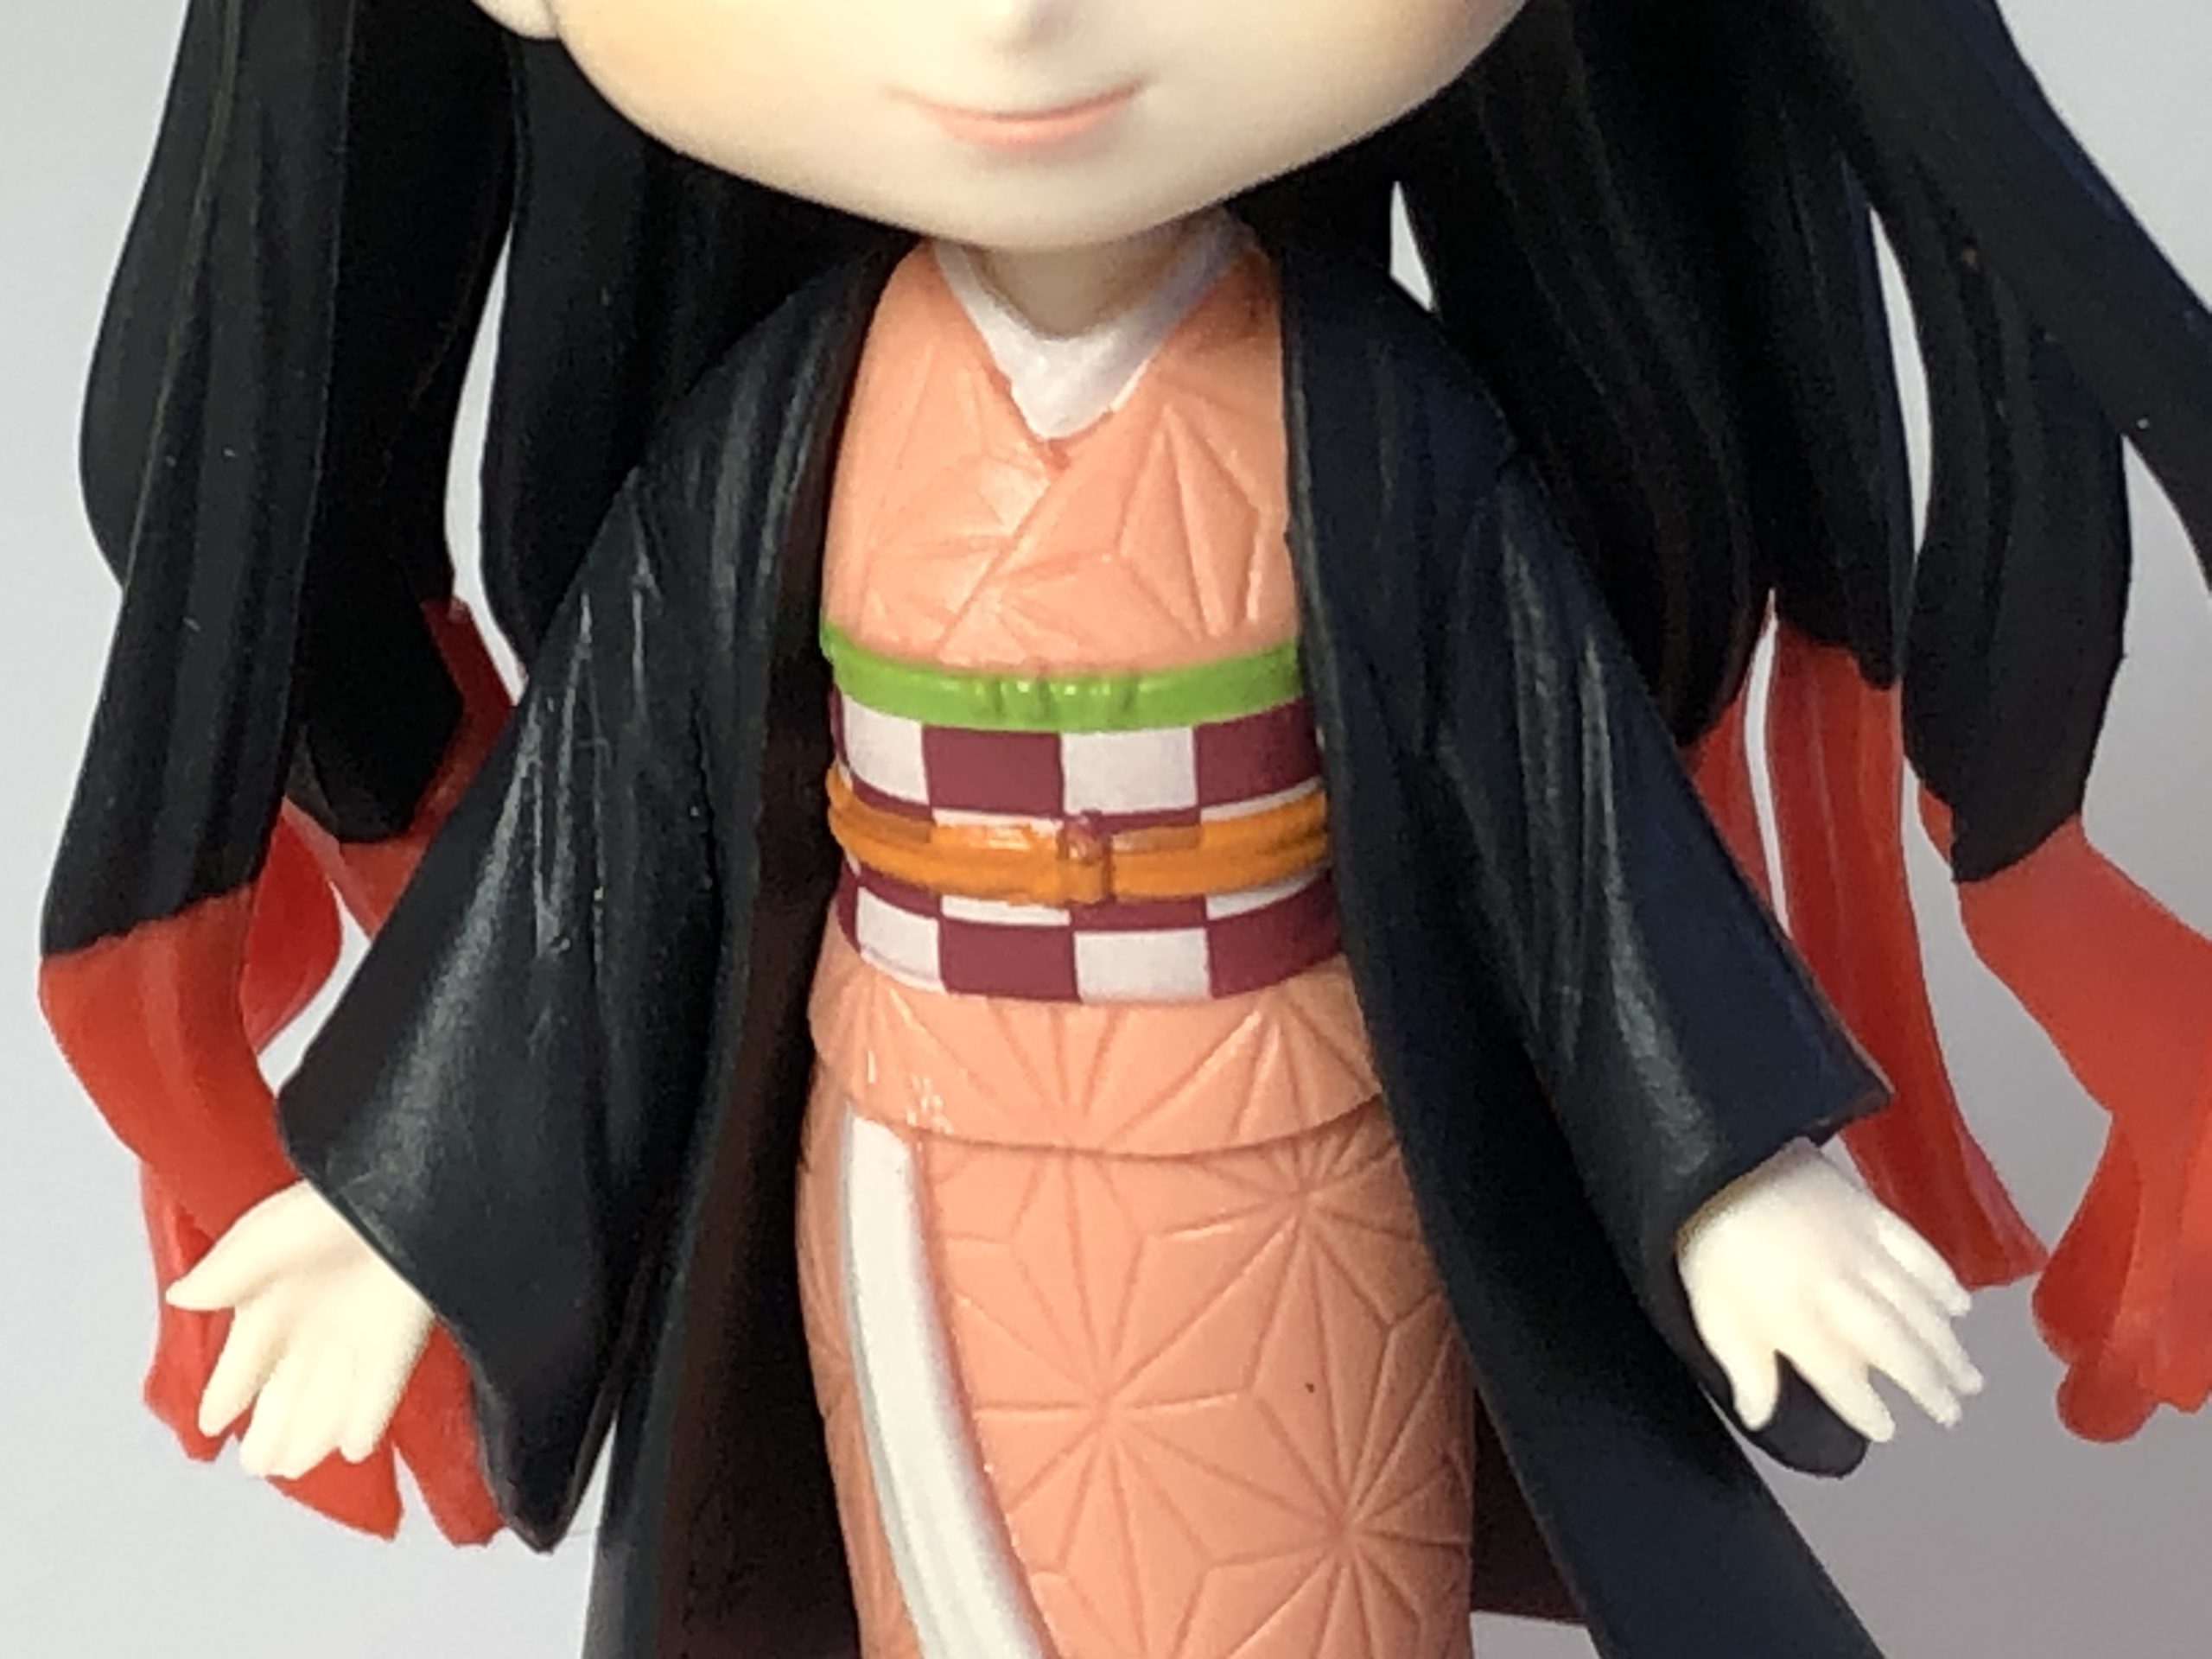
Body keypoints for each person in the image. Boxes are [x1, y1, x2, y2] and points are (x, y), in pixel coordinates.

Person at [40, 1, 2212, 1654]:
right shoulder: (777, 440)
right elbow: (587, 844)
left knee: (1309, 1582)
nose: (1011, 19)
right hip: (914, 1158)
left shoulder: (1380, 433)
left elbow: (1574, 830)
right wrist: (401, 1202)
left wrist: (1726, 1168)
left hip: (1294, 1143)